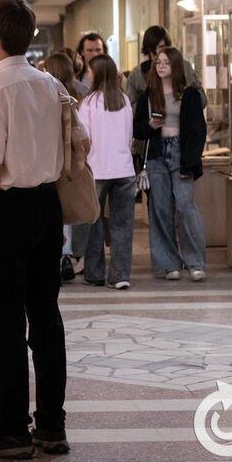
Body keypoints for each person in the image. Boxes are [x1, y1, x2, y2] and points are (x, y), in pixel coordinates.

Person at [0, 0, 68, 459]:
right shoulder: (51, 83)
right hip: (47, 206)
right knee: (45, 317)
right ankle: (52, 425)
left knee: (3, 322)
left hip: (9, 209)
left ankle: (9, 428)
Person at [133, 47, 207, 282]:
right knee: (161, 209)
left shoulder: (189, 95)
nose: (161, 66)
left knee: (185, 207)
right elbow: (137, 129)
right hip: (156, 155)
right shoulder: (148, 95)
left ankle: (195, 262)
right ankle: (168, 263)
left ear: (176, 66)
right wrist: (149, 126)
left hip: (181, 152)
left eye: (166, 62)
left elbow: (198, 130)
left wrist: (191, 160)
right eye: (158, 63)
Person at [79, 55, 136, 289]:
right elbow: (129, 137)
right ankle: (120, 275)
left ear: (97, 74)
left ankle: (94, 274)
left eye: (90, 71)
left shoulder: (88, 103)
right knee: (122, 224)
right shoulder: (123, 100)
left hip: (97, 170)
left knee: (93, 224)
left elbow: (85, 139)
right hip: (124, 169)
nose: (88, 74)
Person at [45, 52, 88, 282]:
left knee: (55, 214)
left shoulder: (43, 98)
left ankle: (61, 256)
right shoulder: (78, 96)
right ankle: (68, 256)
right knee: (69, 212)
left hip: (48, 165)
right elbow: (85, 140)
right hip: (69, 166)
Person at [126, 24, 207, 110]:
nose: (161, 53)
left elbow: (202, 101)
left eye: (163, 48)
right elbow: (130, 108)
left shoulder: (184, 67)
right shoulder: (137, 74)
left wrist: (186, 95)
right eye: (157, 49)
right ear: (149, 50)